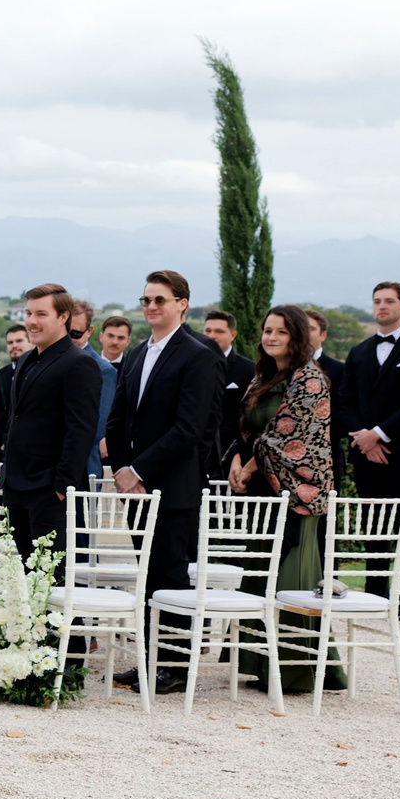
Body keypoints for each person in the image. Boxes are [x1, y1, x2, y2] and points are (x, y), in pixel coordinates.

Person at [105, 269, 223, 693]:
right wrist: (121, 469)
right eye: (146, 300)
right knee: (147, 575)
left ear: (182, 305)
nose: (151, 307)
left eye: (160, 300)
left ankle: (173, 666)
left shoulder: (198, 354)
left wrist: (139, 470)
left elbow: (190, 428)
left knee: (170, 575)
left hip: (173, 486)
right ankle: (148, 660)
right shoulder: (136, 354)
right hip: (132, 487)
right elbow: (117, 420)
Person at [230, 304, 342, 695]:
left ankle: (296, 671)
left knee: (290, 578)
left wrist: (250, 467)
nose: (272, 337)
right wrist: (235, 460)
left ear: (297, 336)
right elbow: (245, 427)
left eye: (281, 331)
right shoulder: (262, 377)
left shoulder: (310, 380)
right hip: (263, 490)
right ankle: (260, 666)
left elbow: (290, 437)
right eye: (267, 330)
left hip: (297, 492)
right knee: (260, 573)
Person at [339, 282, 400, 620]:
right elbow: (346, 401)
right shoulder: (359, 352)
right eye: (377, 301)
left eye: (389, 301)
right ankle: (374, 595)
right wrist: (364, 441)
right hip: (366, 455)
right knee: (373, 527)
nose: (382, 307)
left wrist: (379, 435)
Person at [0, 286, 102, 556]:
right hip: (15, 487)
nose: (32, 321)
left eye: (41, 313)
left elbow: (81, 429)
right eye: (29, 313)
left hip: (48, 491)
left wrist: (60, 486)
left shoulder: (78, 363)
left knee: (47, 581)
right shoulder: (24, 361)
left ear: (63, 317)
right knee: (17, 578)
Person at [200, 307, 254, 476]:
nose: (212, 336)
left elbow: (245, 413)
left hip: (229, 453)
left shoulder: (247, 369)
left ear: (233, 335)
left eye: (219, 331)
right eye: (208, 330)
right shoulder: (191, 364)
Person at [304, 309, 351, 493]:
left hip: (326, 459)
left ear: (323, 334)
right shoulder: (282, 369)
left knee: (325, 521)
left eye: (310, 329)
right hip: (285, 462)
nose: (304, 334)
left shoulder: (340, 370)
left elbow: (342, 414)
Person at [69, 301, 116, 483]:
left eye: (75, 334)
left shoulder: (104, 370)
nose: (69, 338)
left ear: (89, 331)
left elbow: (97, 428)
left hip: (84, 467)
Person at [0, 324, 28, 458]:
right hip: (2, 451)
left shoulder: (42, 374)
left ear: (31, 343)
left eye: (19, 341)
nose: (14, 345)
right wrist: (1, 441)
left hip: (30, 449)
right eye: (10, 342)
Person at [97, 312, 133, 462]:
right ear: (101, 336)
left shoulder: (134, 369)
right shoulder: (86, 366)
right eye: (110, 336)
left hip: (124, 446)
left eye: (120, 338)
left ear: (128, 341)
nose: (114, 342)